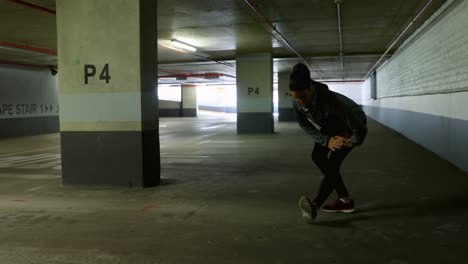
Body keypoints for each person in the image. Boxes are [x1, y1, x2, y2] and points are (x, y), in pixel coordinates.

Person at [289, 63, 368, 223]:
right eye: (296, 98)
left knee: (333, 164)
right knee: (317, 155)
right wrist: (326, 140)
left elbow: (360, 131)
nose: (301, 102)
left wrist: (349, 142)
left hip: (351, 126)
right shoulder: (297, 101)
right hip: (330, 124)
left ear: (311, 89)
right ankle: (345, 200)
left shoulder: (336, 103)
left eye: (303, 97)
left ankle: (315, 205)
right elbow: (304, 124)